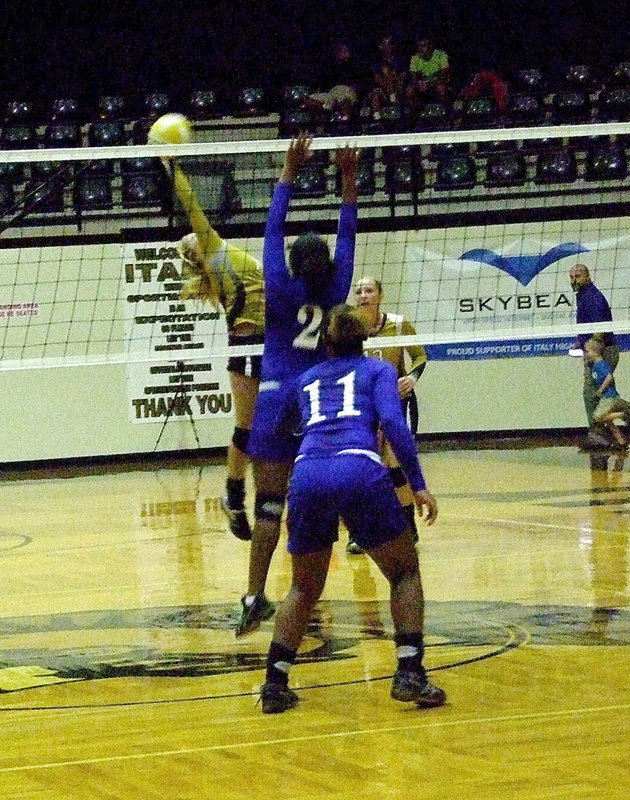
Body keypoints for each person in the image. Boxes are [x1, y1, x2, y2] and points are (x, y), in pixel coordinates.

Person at [259, 304, 444, 714]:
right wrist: (418, 485)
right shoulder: (378, 371)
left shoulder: (305, 378)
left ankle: (274, 683)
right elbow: (395, 426)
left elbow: (278, 428)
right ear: (366, 341)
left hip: (308, 473)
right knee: (403, 571)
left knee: (304, 587)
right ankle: (410, 672)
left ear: (326, 342)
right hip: (358, 467)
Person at [236, 135, 360, 637]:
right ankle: (303, 597)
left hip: (273, 398)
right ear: (326, 264)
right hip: (316, 397)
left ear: (291, 263)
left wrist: (289, 171)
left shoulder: (277, 285)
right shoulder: (336, 289)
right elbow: (348, 235)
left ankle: (253, 596)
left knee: (268, 503)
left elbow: (272, 228)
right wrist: (348, 181)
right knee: (312, 500)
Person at [158, 156, 264, 542]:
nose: (193, 234)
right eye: (192, 239)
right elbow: (189, 202)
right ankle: (235, 495)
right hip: (250, 346)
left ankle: (238, 494)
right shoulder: (215, 251)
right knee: (248, 428)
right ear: (198, 252)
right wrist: (170, 165)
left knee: (255, 428)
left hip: (260, 344)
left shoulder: (221, 257)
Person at [347, 275, 428, 554]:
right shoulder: (350, 328)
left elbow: (420, 355)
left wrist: (413, 377)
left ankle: (408, 529)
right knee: (361, 468)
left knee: (394, 465)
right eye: (358, 291)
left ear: (380, 295)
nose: (363, 295)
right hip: (362, 406)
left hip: (394, 402)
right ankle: (360, 532)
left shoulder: (397, 323)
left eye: (368, 290)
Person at [569, 263, 619, 428]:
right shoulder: (583, 295)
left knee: (591, 393)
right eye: (571, 277)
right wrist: (581, 342)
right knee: (603, 394)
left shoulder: (592, 296)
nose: (574, 280)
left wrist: (592, 348)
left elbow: (601, 326)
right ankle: (604, 430)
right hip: (596, 351)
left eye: (578, 276)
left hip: (603, 351)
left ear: (587, 277)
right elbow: (588, 326)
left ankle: (596, 432)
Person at [583, 338, 630, 449]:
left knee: (598, 417)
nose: (586, 353)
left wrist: (601, 390)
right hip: (610, 397)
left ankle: (624, 414)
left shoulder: (601, 364)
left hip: (609, 397)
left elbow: (609, 377)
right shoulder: (594, 365)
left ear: (595, 352)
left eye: (588, 351)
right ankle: (621, 442)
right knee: (608, 421)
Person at [404, 36, 450, 113]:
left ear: (430, 46)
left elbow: (444, 76)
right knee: (409, 91)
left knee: (441, 88)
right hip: (423, 87)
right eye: (420, 46)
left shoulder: (441, 55)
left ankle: (449, 114)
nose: (421, 48)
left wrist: (430, 84)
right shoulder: (415, 59)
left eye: (424, 45)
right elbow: (414, 78)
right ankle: (415, 116)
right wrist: (419, 84)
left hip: (436, 84)